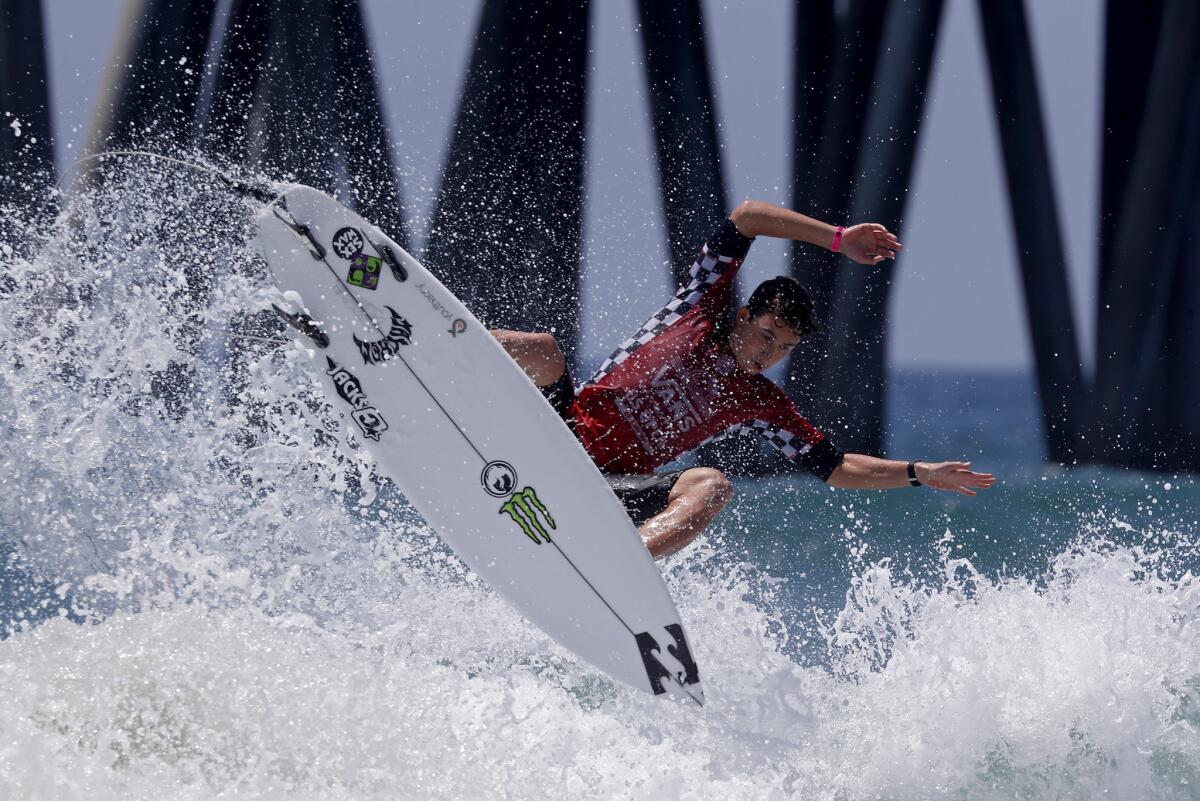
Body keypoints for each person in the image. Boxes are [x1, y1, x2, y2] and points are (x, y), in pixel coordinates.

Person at [493, 200, 995, 559]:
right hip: (559, 430)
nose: (769, 353)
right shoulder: (698, 307)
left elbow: (834, 466)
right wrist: (838, 239)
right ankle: (426, 342)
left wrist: (919, 472)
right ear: (745, 316)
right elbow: (747, 217)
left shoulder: (759, 401)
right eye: (767, 334)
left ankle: (618, 564)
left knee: (711, 485)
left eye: (784, 349)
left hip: (609, 487)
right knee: (543, 350)